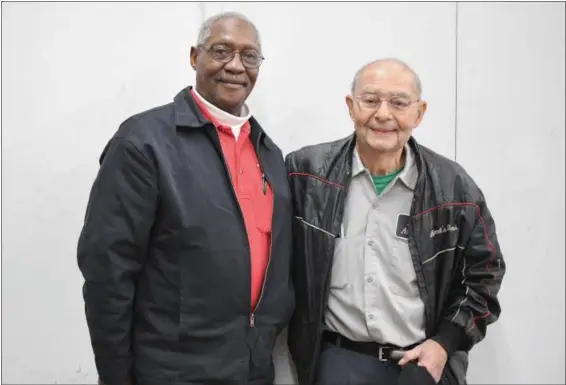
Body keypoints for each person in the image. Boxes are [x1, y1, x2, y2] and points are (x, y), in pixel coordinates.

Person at [77, 12, 294, 385]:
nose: (235, 67)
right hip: (172, 371)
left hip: (252, 369)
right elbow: (107, 273)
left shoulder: (269, 154)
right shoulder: (144, 142)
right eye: (221, 51)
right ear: (196, 57)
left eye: (249, 56)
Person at [285, 58, 505, 385]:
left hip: (420, 366)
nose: (384, 114)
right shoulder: (305, 174)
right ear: (351, 106)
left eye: (399, 103)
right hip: (337, 362)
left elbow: (485, 274)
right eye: (370, 100)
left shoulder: (454, 187)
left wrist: (444, 343)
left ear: (419, 112)